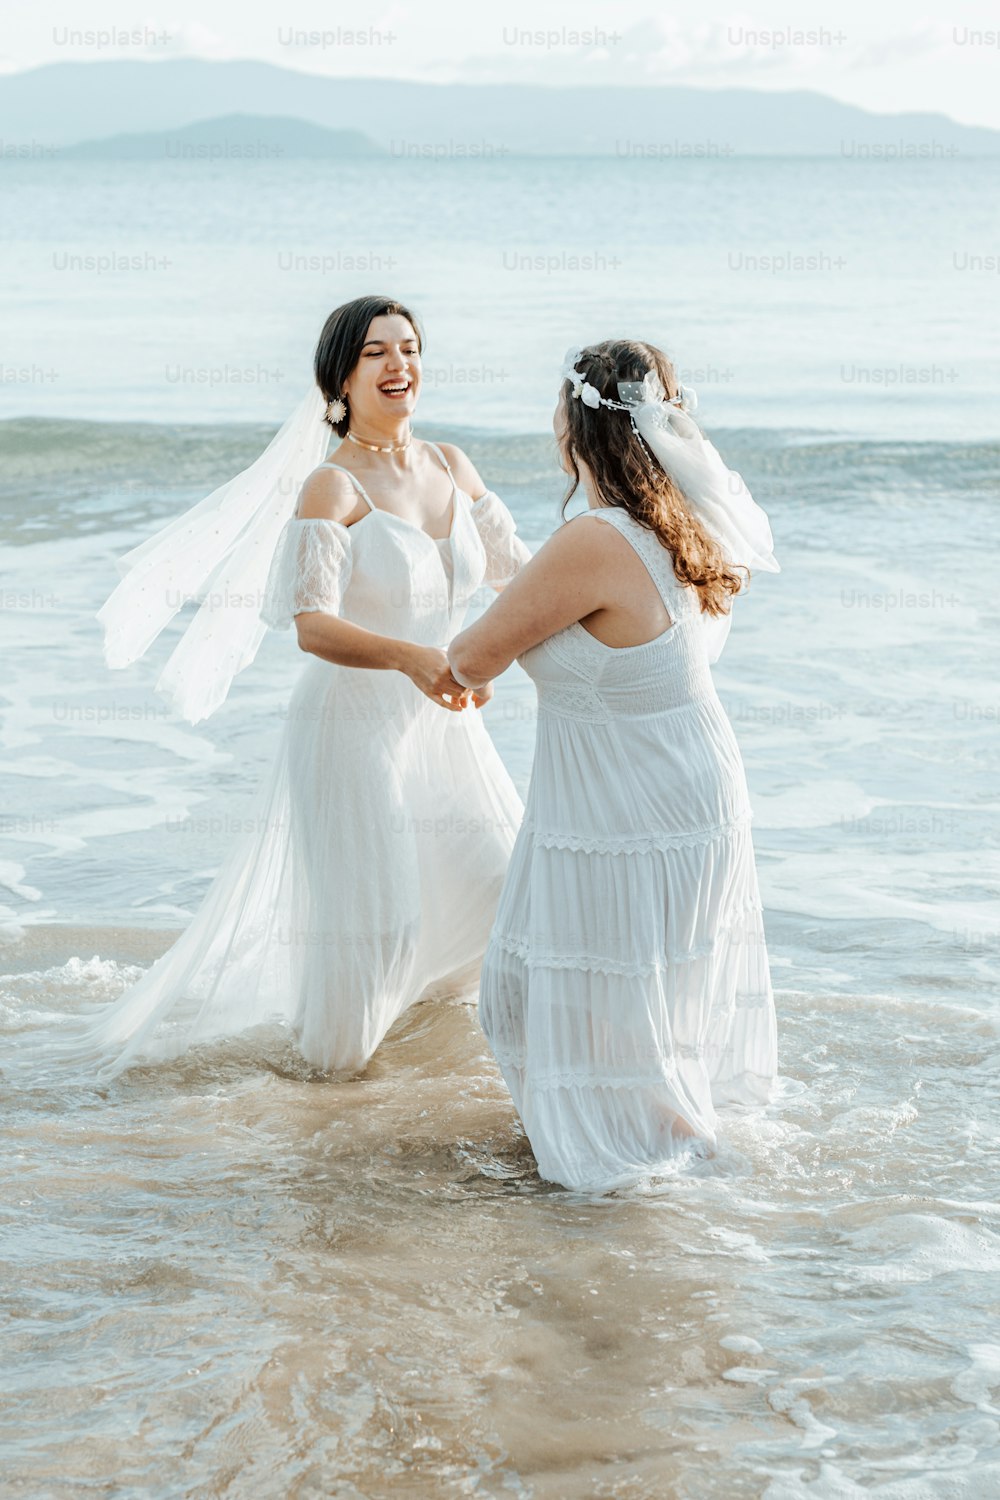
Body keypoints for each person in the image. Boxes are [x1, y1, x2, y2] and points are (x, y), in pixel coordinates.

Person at [14, 295, 530, 1082]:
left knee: (498, 889)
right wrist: (414, 660)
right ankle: (328, 1101)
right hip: (350, 733)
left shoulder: (452, 465)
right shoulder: (331, 489)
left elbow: (517, 578)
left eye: (411, 348)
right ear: (340, 380)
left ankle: (432, 1072)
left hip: (444, 726)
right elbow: (310, 625)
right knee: (376, 930)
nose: (400, 366)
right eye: (376, 353)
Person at [447, 339, 781, 1193]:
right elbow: (560, 613)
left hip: (627, 806)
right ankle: (683, 1161)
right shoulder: (683, 526)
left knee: (537, 1000)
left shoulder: (594, 539)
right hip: (681, 786)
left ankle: (648, 1174)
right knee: (626, 1012)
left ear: (575, 425)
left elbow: (475, 655)